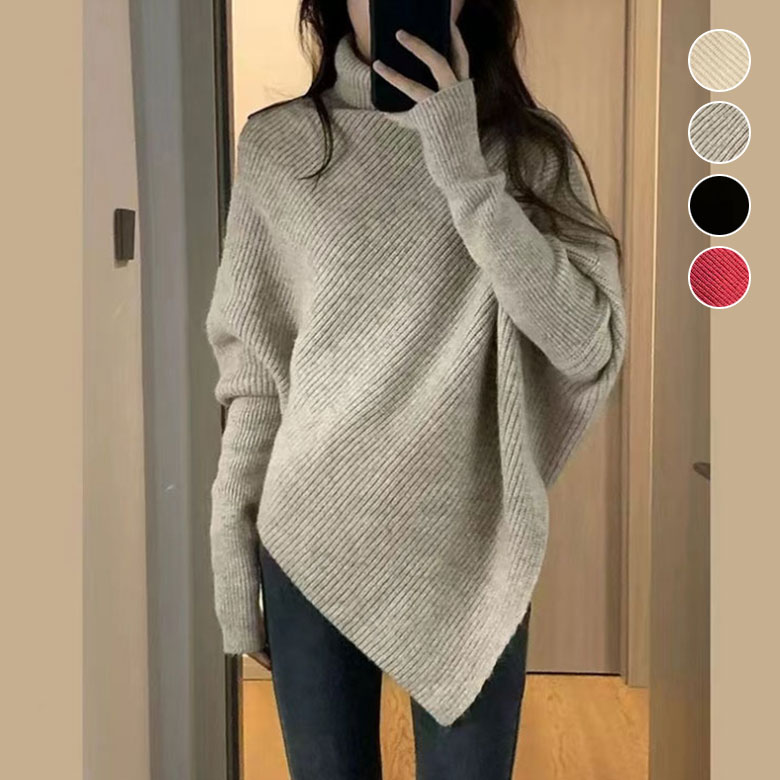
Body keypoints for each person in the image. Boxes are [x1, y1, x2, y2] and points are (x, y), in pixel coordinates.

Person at [205, 1, 627, 777]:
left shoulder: (528, 151)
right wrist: (233, 556)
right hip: (311, 532)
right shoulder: (280, 146)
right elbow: (256, 377)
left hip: (474, 544)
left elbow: (585, 343)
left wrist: (465, 171)